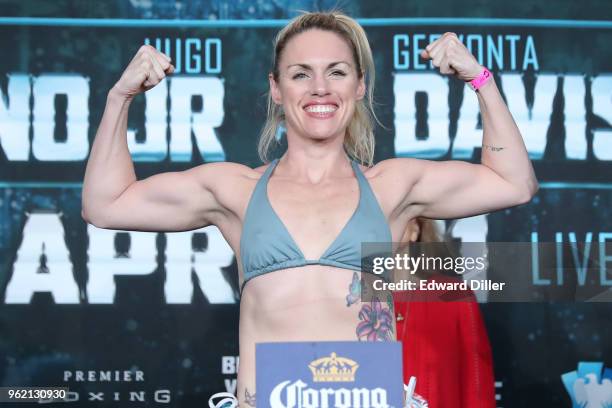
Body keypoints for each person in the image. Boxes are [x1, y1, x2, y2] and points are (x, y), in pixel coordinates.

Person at [81, 10, 538, 407]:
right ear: (276, 89)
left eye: (337, 72)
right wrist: (119, 97)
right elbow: (105, 205)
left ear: (359, 86)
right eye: (301, 73)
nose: (320, 88)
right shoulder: (234, 189)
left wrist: (481, 81)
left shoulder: (392, 187)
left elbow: (513, 183)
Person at [393, 218, 496, 407]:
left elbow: (476, 386)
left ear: (415, 229)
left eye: (391, 214)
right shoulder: (346, 300)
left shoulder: (453, 295)